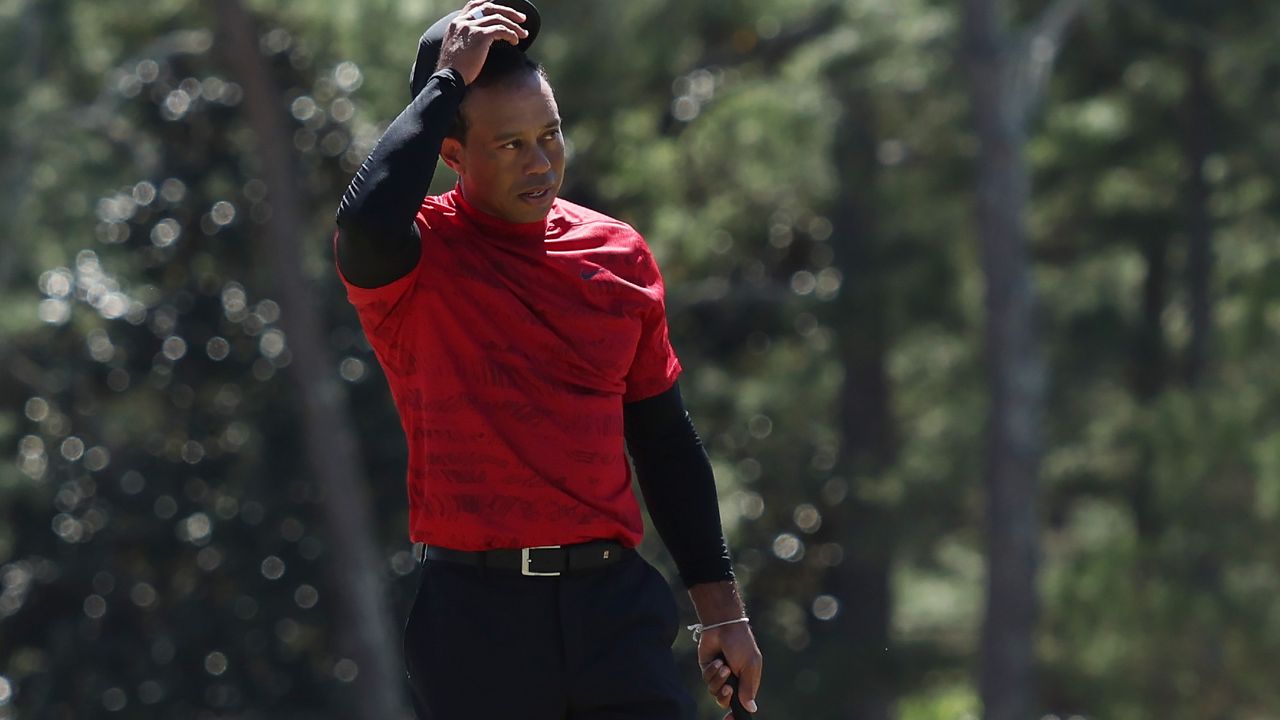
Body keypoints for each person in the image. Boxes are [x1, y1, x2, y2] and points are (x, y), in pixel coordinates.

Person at [332, 2, 762, 717]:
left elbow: (663, 440)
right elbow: (366, 222)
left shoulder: (617, 254)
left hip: (614, 609)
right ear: (452, 151)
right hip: (478, 623)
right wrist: (444, 84)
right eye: (509, 145)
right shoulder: (414, 259)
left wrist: (722, 611)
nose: (541, 164)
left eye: (550, 134)